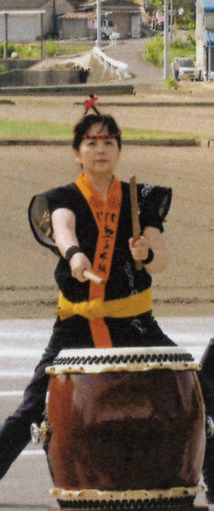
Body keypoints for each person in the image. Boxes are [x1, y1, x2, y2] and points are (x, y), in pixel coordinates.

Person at [0, 108, 177, 482]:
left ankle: (211, 481)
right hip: (78, 323)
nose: (101, 150)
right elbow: (63, 228)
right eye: (91, 142)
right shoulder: (63, 197)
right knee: (33, 406)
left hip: (134, 322)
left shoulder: (140, 198)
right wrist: (74, 254)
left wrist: (147, 254)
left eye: (108, 142)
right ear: (77, 152)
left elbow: (160, 260)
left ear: (119, 150)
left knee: (190, 388)